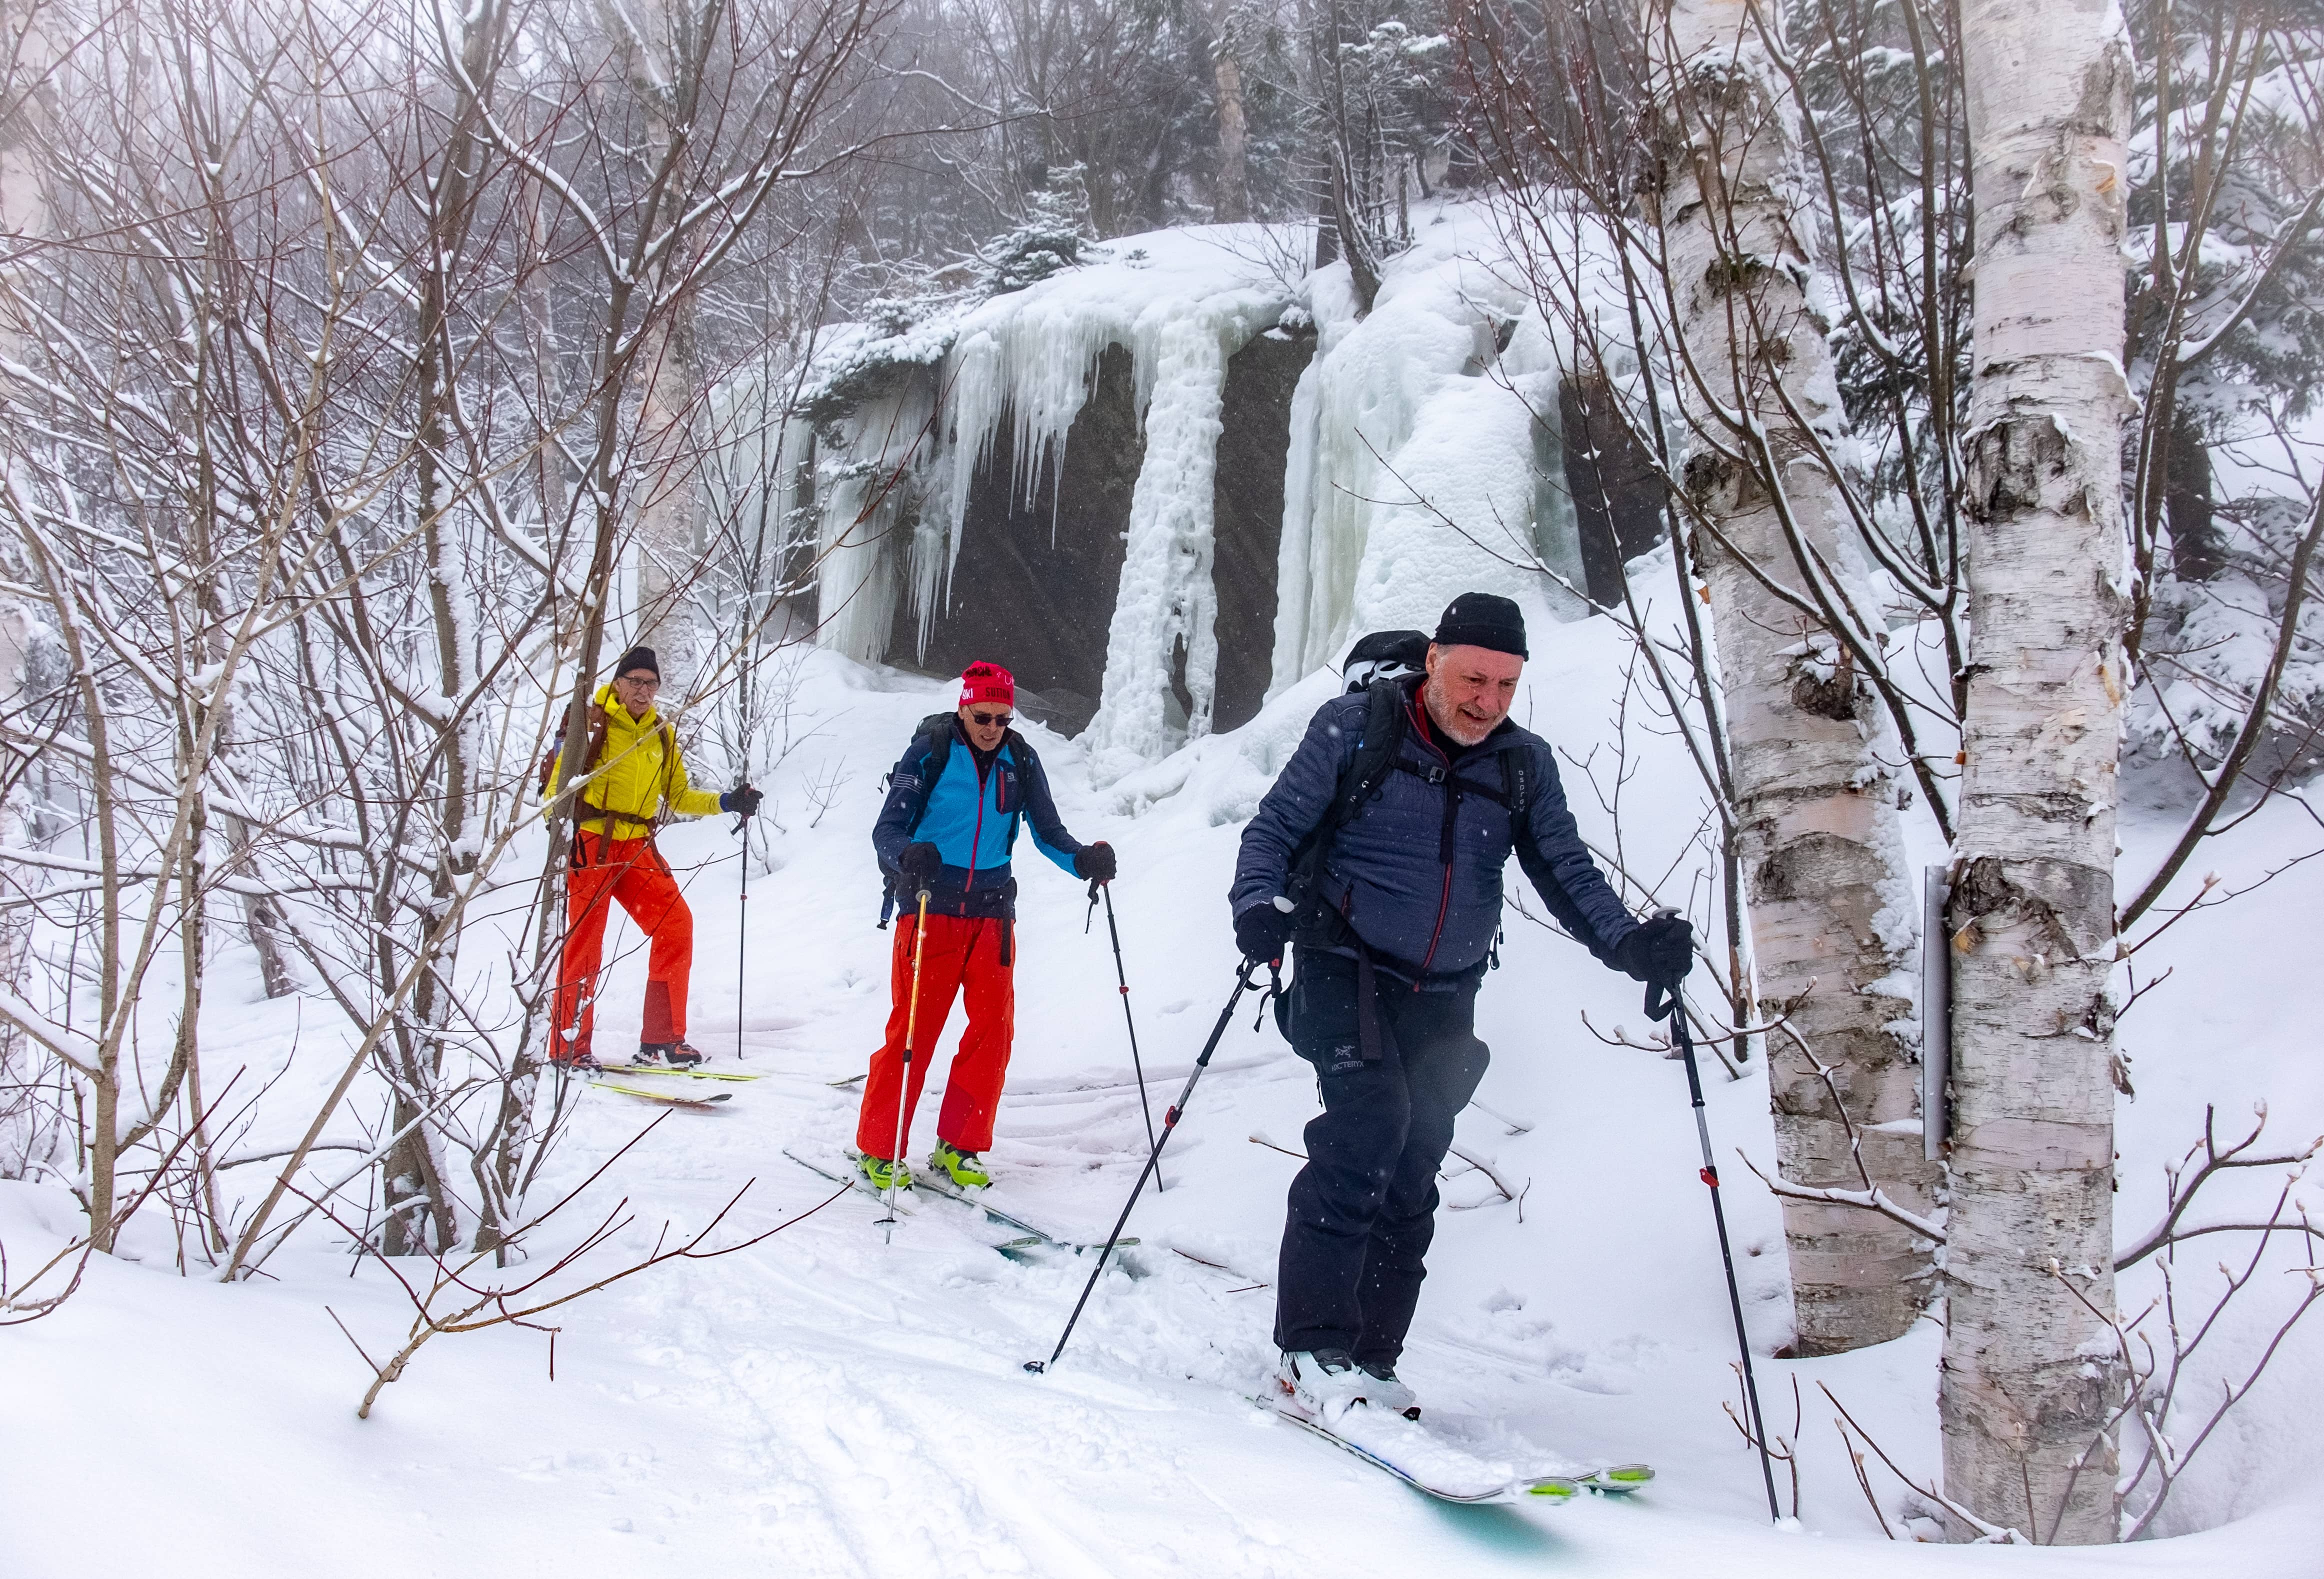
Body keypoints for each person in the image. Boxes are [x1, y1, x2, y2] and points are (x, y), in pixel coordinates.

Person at [1230, 593, 1693, 1420]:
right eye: (1474, 677)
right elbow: (1272, 829)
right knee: (1366, 1130)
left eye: (1507, 685)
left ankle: (1371, 1359)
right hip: (1343, 962)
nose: (1487, 700)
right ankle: (1310, 1347)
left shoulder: (1520, 764)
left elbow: (1564, 872)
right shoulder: (1356, 729)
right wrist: (1256, 905)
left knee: (1413, 1162)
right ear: (1435, 657)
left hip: (1445, 988)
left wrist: (1630, 945)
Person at [856, 661, 1114, 1192]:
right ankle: (879, 1149)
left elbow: (1048, 832)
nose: (992, 726)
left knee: (992, 1035)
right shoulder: (929, 751)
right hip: (931, 909)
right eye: (982, 715)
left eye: (1002, 716)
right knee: (913, 1032)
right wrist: (909, 853)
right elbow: (887, 829)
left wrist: (1083, 859)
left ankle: (960, 1144)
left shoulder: (1020, 758)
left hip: (993, 915)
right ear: (964, 707)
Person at [544, 646, 761, 1071]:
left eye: (651, 683)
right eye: (636, 682)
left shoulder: (661, 732)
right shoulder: (591, 724)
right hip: (594, 843)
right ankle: (569, 1046)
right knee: (585, 946)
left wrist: (728, 801)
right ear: (618, 683)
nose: (644, 691)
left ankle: (661, 1040)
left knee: (675, 925)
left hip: (638, 845)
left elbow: (678, 796)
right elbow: (557, 790)